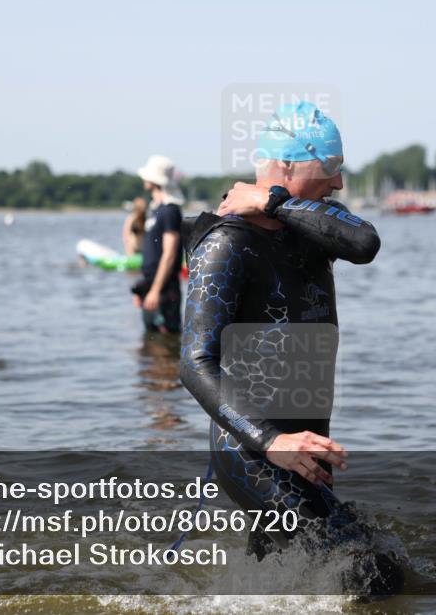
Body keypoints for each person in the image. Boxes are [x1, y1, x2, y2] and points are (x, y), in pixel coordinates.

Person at [179, 102, 401, 595]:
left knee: (285, 583)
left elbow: (364, 243)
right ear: (285, 165)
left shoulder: (311, 226)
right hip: (253, 447)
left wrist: (274, 202)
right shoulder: (227, 243)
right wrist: (272, 442)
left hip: (306, 444)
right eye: (330, 167)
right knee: (371, 573)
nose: (338, 182)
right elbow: (195, 364)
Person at [133, 155, 184, 334]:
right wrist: (143, 290)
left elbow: (169, 254)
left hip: (164, 289)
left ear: (155, 180)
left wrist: (155, 290)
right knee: (150, 339)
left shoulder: (170, 211)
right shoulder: (155, 210)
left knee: (165, 337)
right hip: (151, 285)